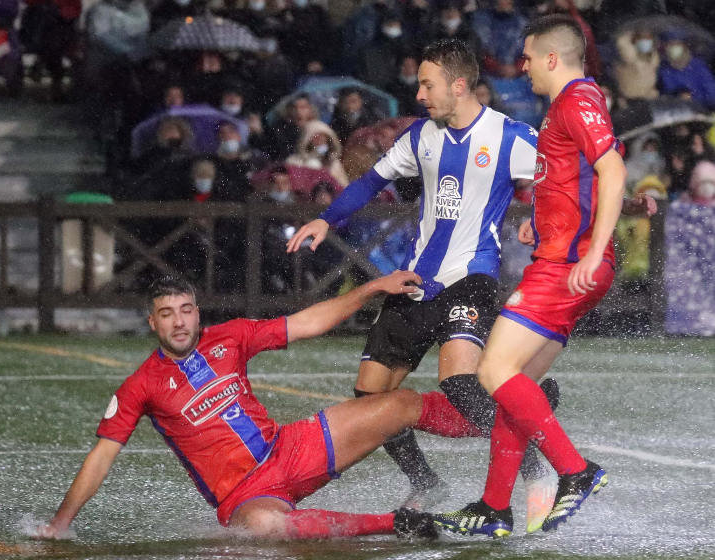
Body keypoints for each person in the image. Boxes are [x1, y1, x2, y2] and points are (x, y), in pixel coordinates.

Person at [286, 38, 560, 520]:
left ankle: (537, 467)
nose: (419, 95)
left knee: (459, 383)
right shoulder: (420, 136)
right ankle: (426, 484)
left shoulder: (510, 135)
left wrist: (540, 215)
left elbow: (560, 176)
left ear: (459, 85)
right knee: (370, 397)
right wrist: (328, 219)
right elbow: (373, 181)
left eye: (427, 84)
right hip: (414, 282)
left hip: (471, 278)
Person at [433, 15, 653, 537]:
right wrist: (549, 218)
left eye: (529, 57)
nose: (522, 65)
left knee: (492, 373)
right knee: (517, 386)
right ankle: (493, 508)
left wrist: (594, 251)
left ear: (552, 58)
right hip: (565, 259)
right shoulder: (575, 104)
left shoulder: (575, 100)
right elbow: (586, 181)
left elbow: (613, 170)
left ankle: (575, 473)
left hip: (565, 268)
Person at [35, 274, 440, 540]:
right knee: (266, 527)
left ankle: (493, 420)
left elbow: (307, 323)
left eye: (186, 310)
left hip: (290, 449)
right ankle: (397, 522)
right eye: (166, 314)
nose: (179, 322)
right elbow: (101, 457)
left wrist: (370, 289)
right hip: (245, 494)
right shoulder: (140, 386)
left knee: (400, 403)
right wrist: (59, 524)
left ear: (197, 313)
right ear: (152, 323)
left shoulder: (229, 336)